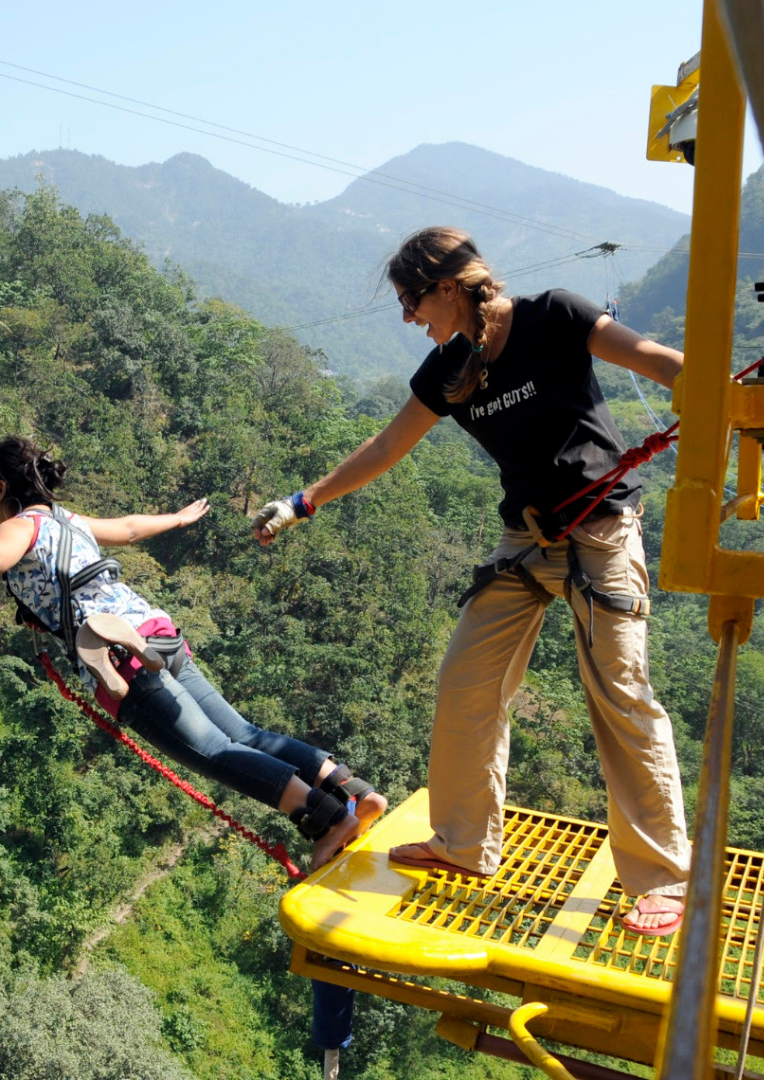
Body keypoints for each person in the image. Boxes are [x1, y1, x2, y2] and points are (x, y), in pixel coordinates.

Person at [251, 227, 690, 935]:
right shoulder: (449, 370)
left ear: (448, 287)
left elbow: (652, 359)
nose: (406, 318)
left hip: (600, 531)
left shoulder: (554, 316)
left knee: (619, 694)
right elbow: (387, 445)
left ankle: (662, 878)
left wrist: (715, 394)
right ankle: (464, 845)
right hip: (524, 538)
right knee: (465, 684)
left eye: (409, 300)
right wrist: (304, 502)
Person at [0, 435, 387, 870]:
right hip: (155, 632)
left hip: (118, 655)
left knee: (216, 752)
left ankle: (328, 822)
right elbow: (131, 528)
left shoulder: (19, 526)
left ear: (0, 486)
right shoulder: (67, 519)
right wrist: (176, 519)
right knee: (244, 732)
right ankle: (354, 795)